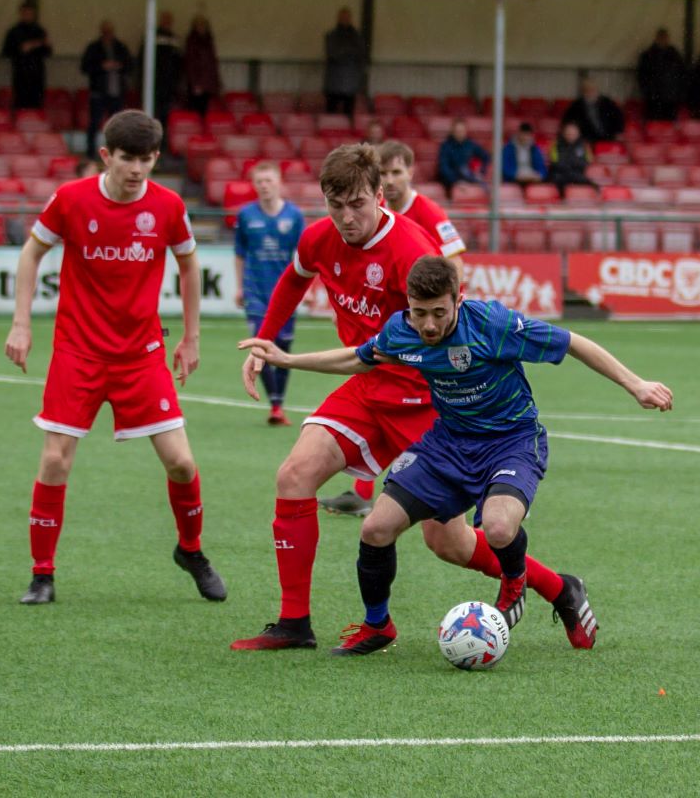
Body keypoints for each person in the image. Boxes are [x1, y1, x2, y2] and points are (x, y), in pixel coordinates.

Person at [229, 144, 590, 653]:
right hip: (365, 388)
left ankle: (558, 587)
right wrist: (266, 343)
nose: (347, 217)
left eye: (358, 204)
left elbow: (448, 318)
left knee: (449, 542)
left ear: (379, 196)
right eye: (337, 206)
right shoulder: (318, 239)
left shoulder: (410, 249)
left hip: (424, 403)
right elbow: (293, 279)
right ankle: (295, 623)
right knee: (294, 475)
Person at [242, 255, 672, 655]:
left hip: (512, 441)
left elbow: (573, 341)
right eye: (419, 312)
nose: (427, 325)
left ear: (458, 300)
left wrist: (635, 384)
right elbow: (359, 359)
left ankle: (515, 580)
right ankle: (378, 626)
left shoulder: (492, 324)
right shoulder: (402, 328)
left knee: (501, 528)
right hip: (448, 444)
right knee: (375, 529)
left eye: (438, 313)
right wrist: (286, 358)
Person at [4, 110, 225, 606]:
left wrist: (191, 338)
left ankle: (190, 550)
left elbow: (189, 268)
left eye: (146, 160)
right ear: (107, 156)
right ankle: (43, 574)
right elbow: (30, 255)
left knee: (183, 464)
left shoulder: (167, 206)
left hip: (140, 356)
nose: (137, 169)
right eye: (128, 159)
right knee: (56, 459)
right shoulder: (71, 199)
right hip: (78, 352)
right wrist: (21, 323)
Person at [318, 138, 467, 518]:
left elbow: (453, 264)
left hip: (425, 327)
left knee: (445, 520)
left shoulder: (426, 213)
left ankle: (492, 484)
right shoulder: (365, 213)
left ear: (409, 173)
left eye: (398, 171)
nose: (392, 179)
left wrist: (442, 310)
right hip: (383, 350)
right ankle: (361, 490)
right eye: (385, 172)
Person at [234, 162, 305, 426]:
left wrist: (306, 290)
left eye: (269, 181)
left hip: (285, 292)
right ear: (254, 185)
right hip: (255, 290)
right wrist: (239, 286)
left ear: (279, 182)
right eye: (260, 181)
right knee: (260, 345)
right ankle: (275, 405)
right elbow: (240, 253)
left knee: (283, 346)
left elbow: (302, 255)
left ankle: (279, 401)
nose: (264, 185)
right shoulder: (246, 215)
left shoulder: (294, 216)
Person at [81, 21, 134, 159]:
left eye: (110, 32)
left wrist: (119, 66)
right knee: (94, 122)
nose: (108, 35)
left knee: (117, 126)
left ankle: (115, 152)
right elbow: (85, 67)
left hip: (117, 92)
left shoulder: (121, 47)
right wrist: (101, 66)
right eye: (105, 32)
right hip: (98, 92)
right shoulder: (94, 47)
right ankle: (90, 152)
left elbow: (130, 66)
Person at [1, 3, 52, 110]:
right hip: (21, 73)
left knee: (37, 103)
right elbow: (6, 52)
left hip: (37, 74)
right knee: (21, 102)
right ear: (21, 14)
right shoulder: (13, 32)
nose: (28, 16)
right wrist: (20, 49)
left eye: (30, 13)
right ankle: (20, 123)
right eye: (25, 13)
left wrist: (43, 45)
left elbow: (48, 53)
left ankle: (35, 123)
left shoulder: (40, 31)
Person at [140, 10, 182, 139]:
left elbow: (179, 62)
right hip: (154, 83)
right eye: (165, 20)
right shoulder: (152, 36)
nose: (167, 23)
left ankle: (162, 142)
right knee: (153, 114)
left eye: (169, 21)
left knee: (165, 115)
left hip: (169, 85)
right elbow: (143, 59)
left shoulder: (174, 39)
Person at [637, 27, 687, 122]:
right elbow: (642, 77)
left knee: (669, 127)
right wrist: (648, 92)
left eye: (665, 38)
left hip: (671, 99)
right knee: (654, 125)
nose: (663, 40)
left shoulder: (675, 56)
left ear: (668, 39)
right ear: (656, 38)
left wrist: (679, 94)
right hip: (653, 99)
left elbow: (682, 75)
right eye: (661, 37)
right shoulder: (647, 56)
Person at [323, 8, 366, 117]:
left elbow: (361, 53)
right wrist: (349, 51)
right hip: (334, 83)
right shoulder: (331, 35)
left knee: (348, 115)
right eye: (342, 17)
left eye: (347, 17)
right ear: (338, 18)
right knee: (331, 115)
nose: (345, 19)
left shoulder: (357, 36)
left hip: (350, 83)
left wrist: (344, 51)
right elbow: (333, 54)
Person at [561, 79, 625, 143]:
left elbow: (618, 117)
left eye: (592, 90)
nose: (590, 93)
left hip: (608, 137)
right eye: (587, 90)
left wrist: (618, 132)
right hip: (587, 140)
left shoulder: (607, 102)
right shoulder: (576, 106)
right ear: (583, 92)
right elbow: (569, 122)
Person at [184, 16, 221, 119]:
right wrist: (195, 82)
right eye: (199, 25)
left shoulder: (209, 41)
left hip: (208, 83)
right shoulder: (192, 41)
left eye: (203, 25)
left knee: (205, 110)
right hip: (197, 84)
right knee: (195, 110)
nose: (202, 28)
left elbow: (212, 63)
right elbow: (191, 63)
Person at [437, 118, 490, 189]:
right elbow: (444, 168)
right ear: (452, 131)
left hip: (468, 177)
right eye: (457, 131)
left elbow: (486, 156)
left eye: (462, 131)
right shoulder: (446, 146)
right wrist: (456, 181)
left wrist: (481, 171)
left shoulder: (470, 144)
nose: (460, 133)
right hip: (450, 182)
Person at [548, 122, 595, 195]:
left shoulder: (584, 146)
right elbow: (555, 162)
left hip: (578, 175)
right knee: (555, 181)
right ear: (564, 133)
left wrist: (569, 163)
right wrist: (573, 163)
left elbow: (587, 162)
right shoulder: (556, 144)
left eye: (573, 132)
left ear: (578, 133)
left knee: (592, 185)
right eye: (569, 132)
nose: (571, 134)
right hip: (560, 175)